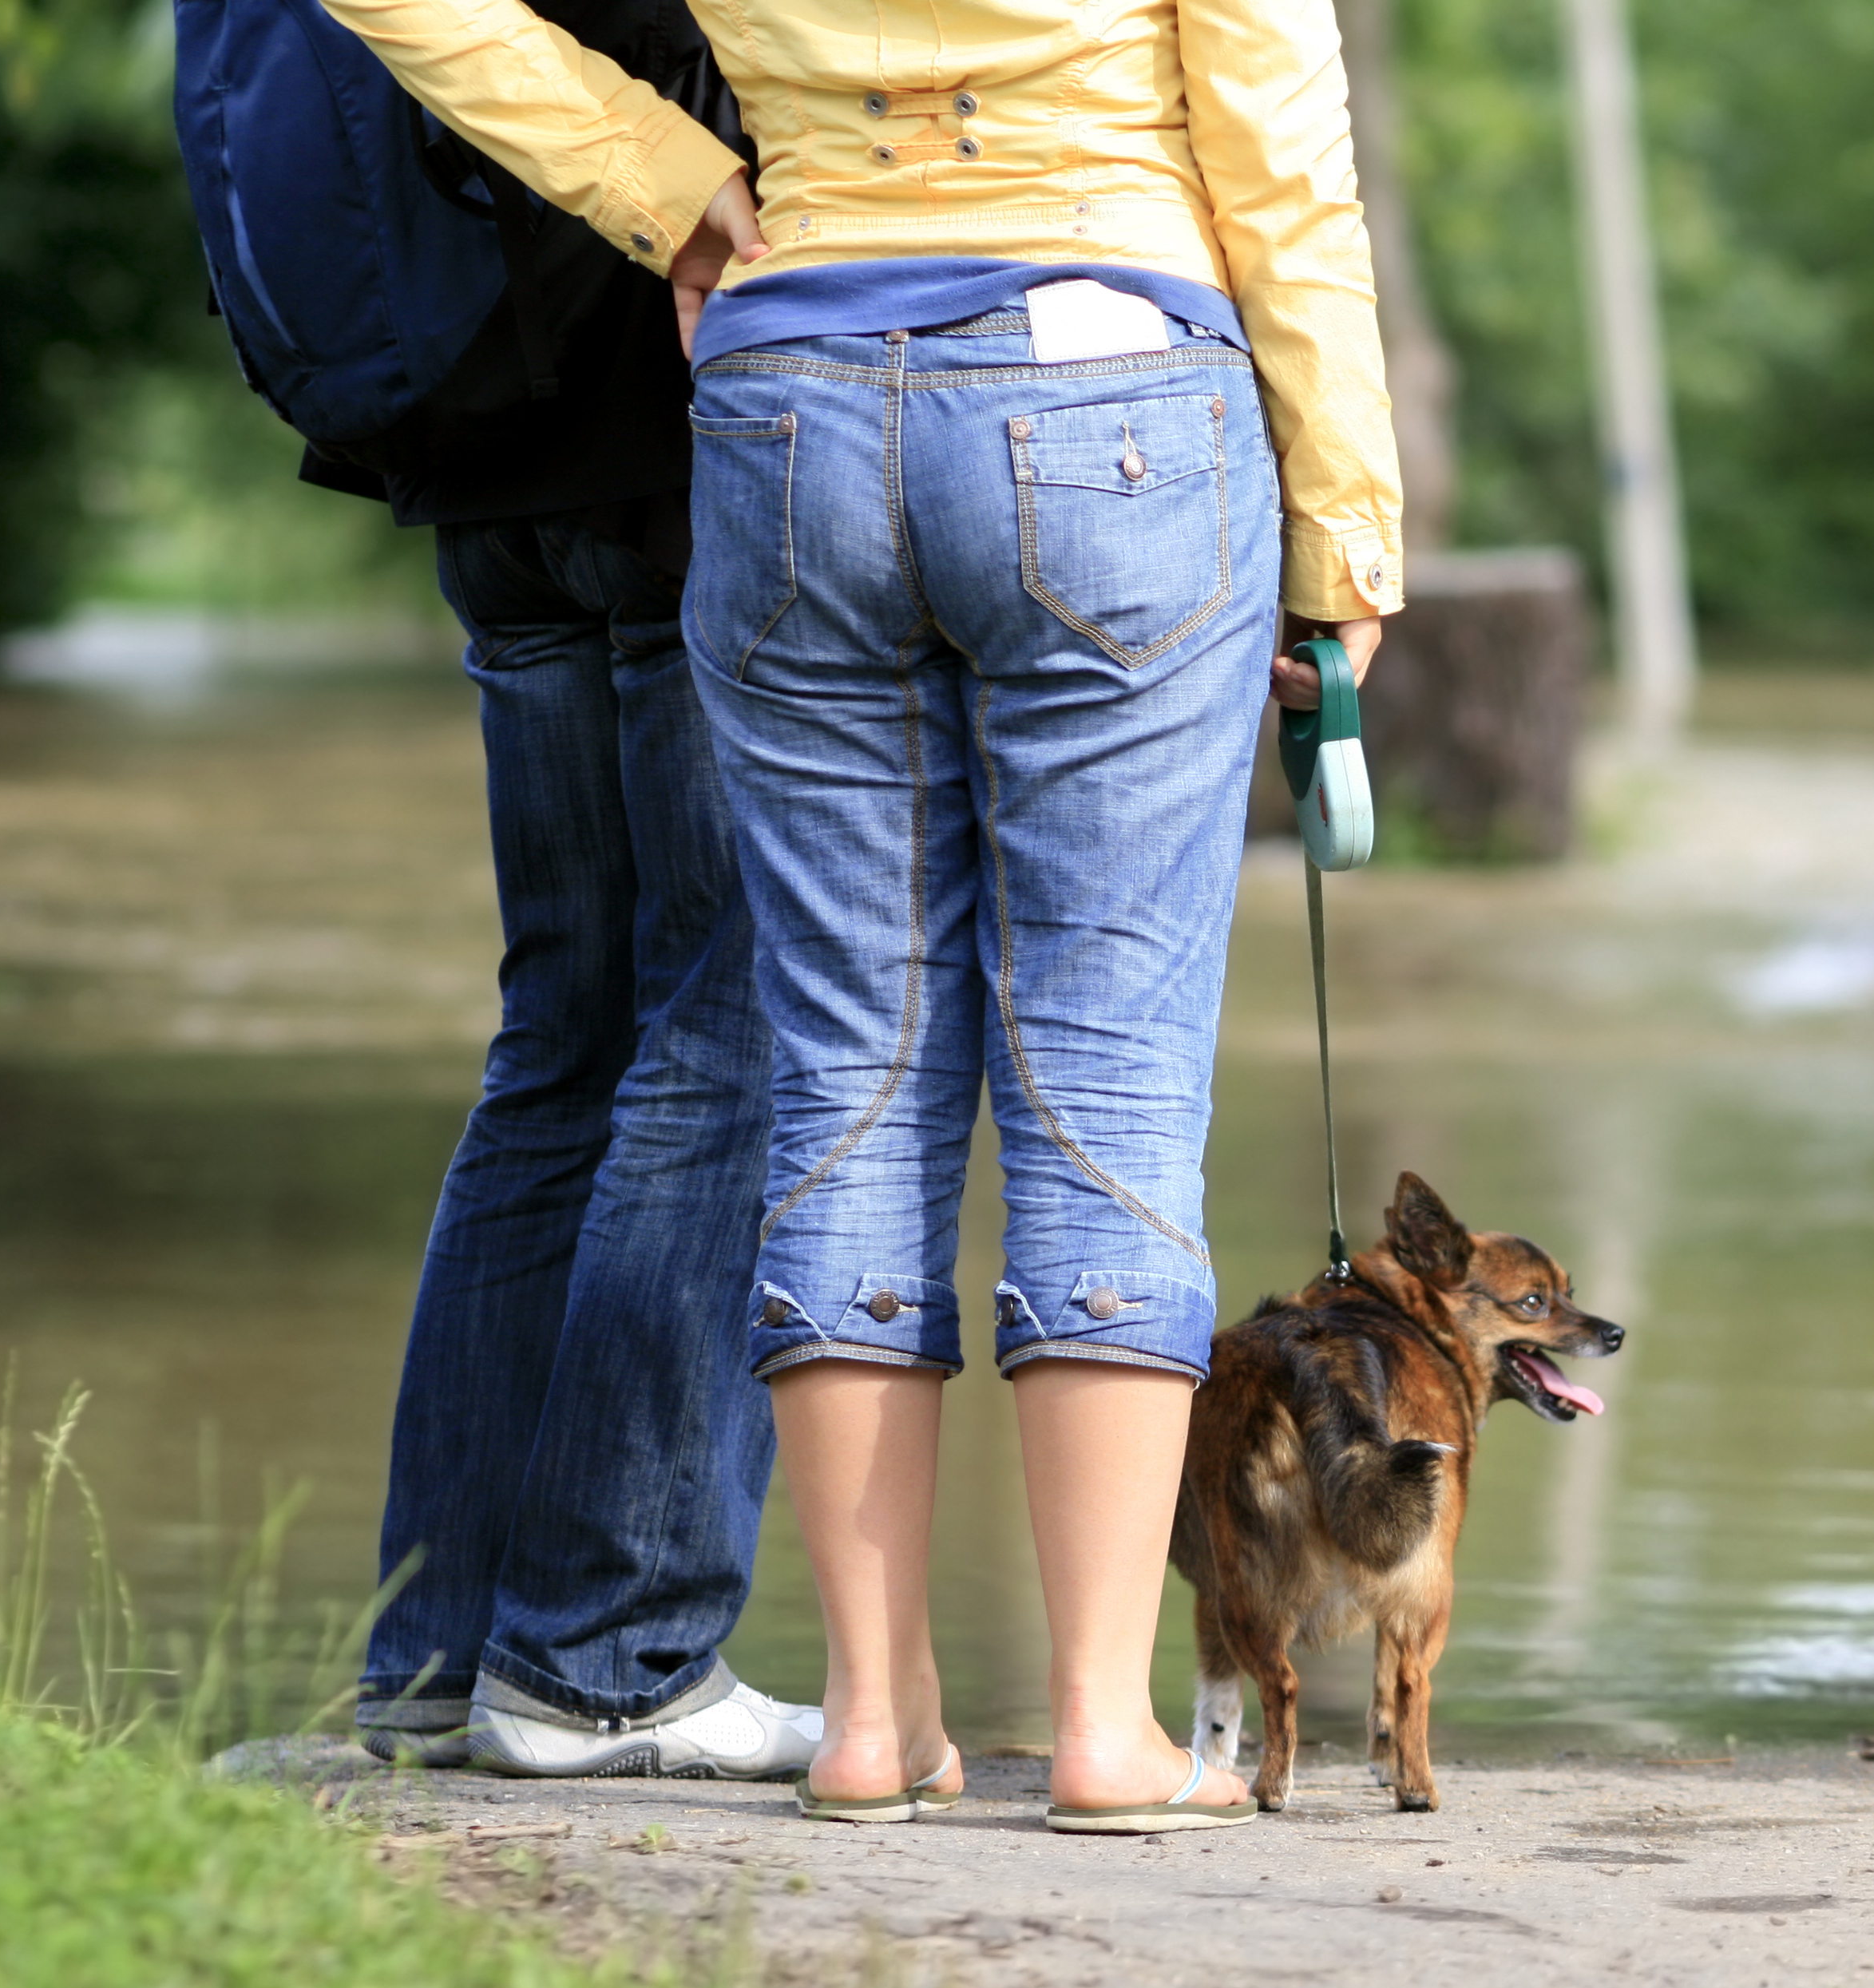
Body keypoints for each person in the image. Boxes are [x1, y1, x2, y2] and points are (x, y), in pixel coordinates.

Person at [323, 0, 1402, 1821]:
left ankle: (872, 1722)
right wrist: (1347, 535)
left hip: (792, 392)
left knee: (848, 1069)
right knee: (1109, 1079)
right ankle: (1101, 1731)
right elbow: (1280, 149)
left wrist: (658, 181)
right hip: (1119, 386)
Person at [337, 1, 820, 1780]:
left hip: (481, 427)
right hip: (675, 400)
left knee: (562, 1041)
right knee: (732, 1029)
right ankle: (609, 1659)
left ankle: (444, 1656)